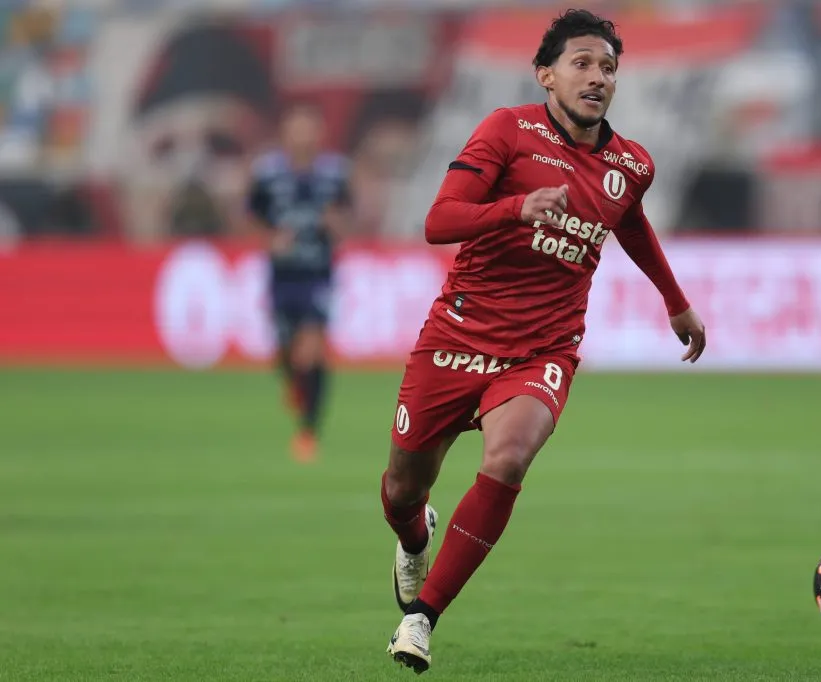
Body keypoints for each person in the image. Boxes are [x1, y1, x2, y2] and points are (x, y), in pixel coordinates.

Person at [382, 9, 706, 673]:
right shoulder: (507, 130)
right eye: (582, 64)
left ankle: (422, 619)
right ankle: (414, 539)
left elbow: (631, 224)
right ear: (547, 75)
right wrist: (514, 207)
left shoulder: (630, 164)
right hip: (458, 335)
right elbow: (439, 221)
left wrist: (676, 303)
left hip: (542, 350)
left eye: (608, 67)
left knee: (508, 459)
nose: (597, 78)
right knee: (400, 490)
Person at [246, 103, 351, 461]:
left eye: (308, 128)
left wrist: (334, 226)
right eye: (296, 128)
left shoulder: (335, 173)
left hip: (318, 273)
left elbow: (346, 216)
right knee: (285, 351)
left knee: (313, 347)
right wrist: (271, 239)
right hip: (282, 274)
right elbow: (253, 216)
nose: (302, 135)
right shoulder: (267, 173)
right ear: (286, 133)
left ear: (318, 134)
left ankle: (308, 430)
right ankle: (293, 383)